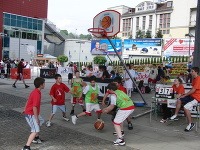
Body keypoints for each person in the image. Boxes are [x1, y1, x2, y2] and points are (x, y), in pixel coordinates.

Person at [21, 77, 45, 150]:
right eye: (44, 83)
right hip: (31, 114)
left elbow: (28, 100)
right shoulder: (36, 94)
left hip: (32, 112)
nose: (44, 84)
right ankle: (26, 147)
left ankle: (36, 138)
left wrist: (24, 108)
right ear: (41, 85)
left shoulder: (36, 91)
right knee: (35, 130)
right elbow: (34, 107)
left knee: (41, 121)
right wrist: (36, 118)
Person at [182, 67, 200, 131]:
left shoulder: (198, 79)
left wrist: (186, 94)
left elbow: (193, 90)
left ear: (196, 72)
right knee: (179, 100)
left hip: (196, 98)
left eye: (192, 71)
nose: (191, 72)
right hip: (192, 96)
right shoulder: (194, 79)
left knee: (186, 107)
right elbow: (192, 90)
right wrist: (184, 95)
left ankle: (190, 124)